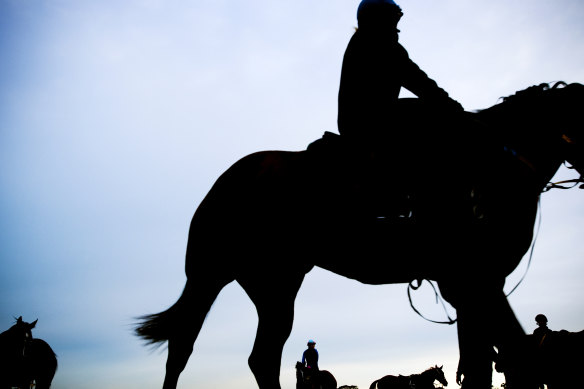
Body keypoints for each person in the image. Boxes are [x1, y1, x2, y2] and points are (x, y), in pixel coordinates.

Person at [337, 0, 463, 146]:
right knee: (428, 112)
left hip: (356, 125)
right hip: (370, 125)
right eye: (395, 16)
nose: (397, 23)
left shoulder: (361, 42)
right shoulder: (380, 44)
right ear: (380, 18)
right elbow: (420, 83)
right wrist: (452, 107)